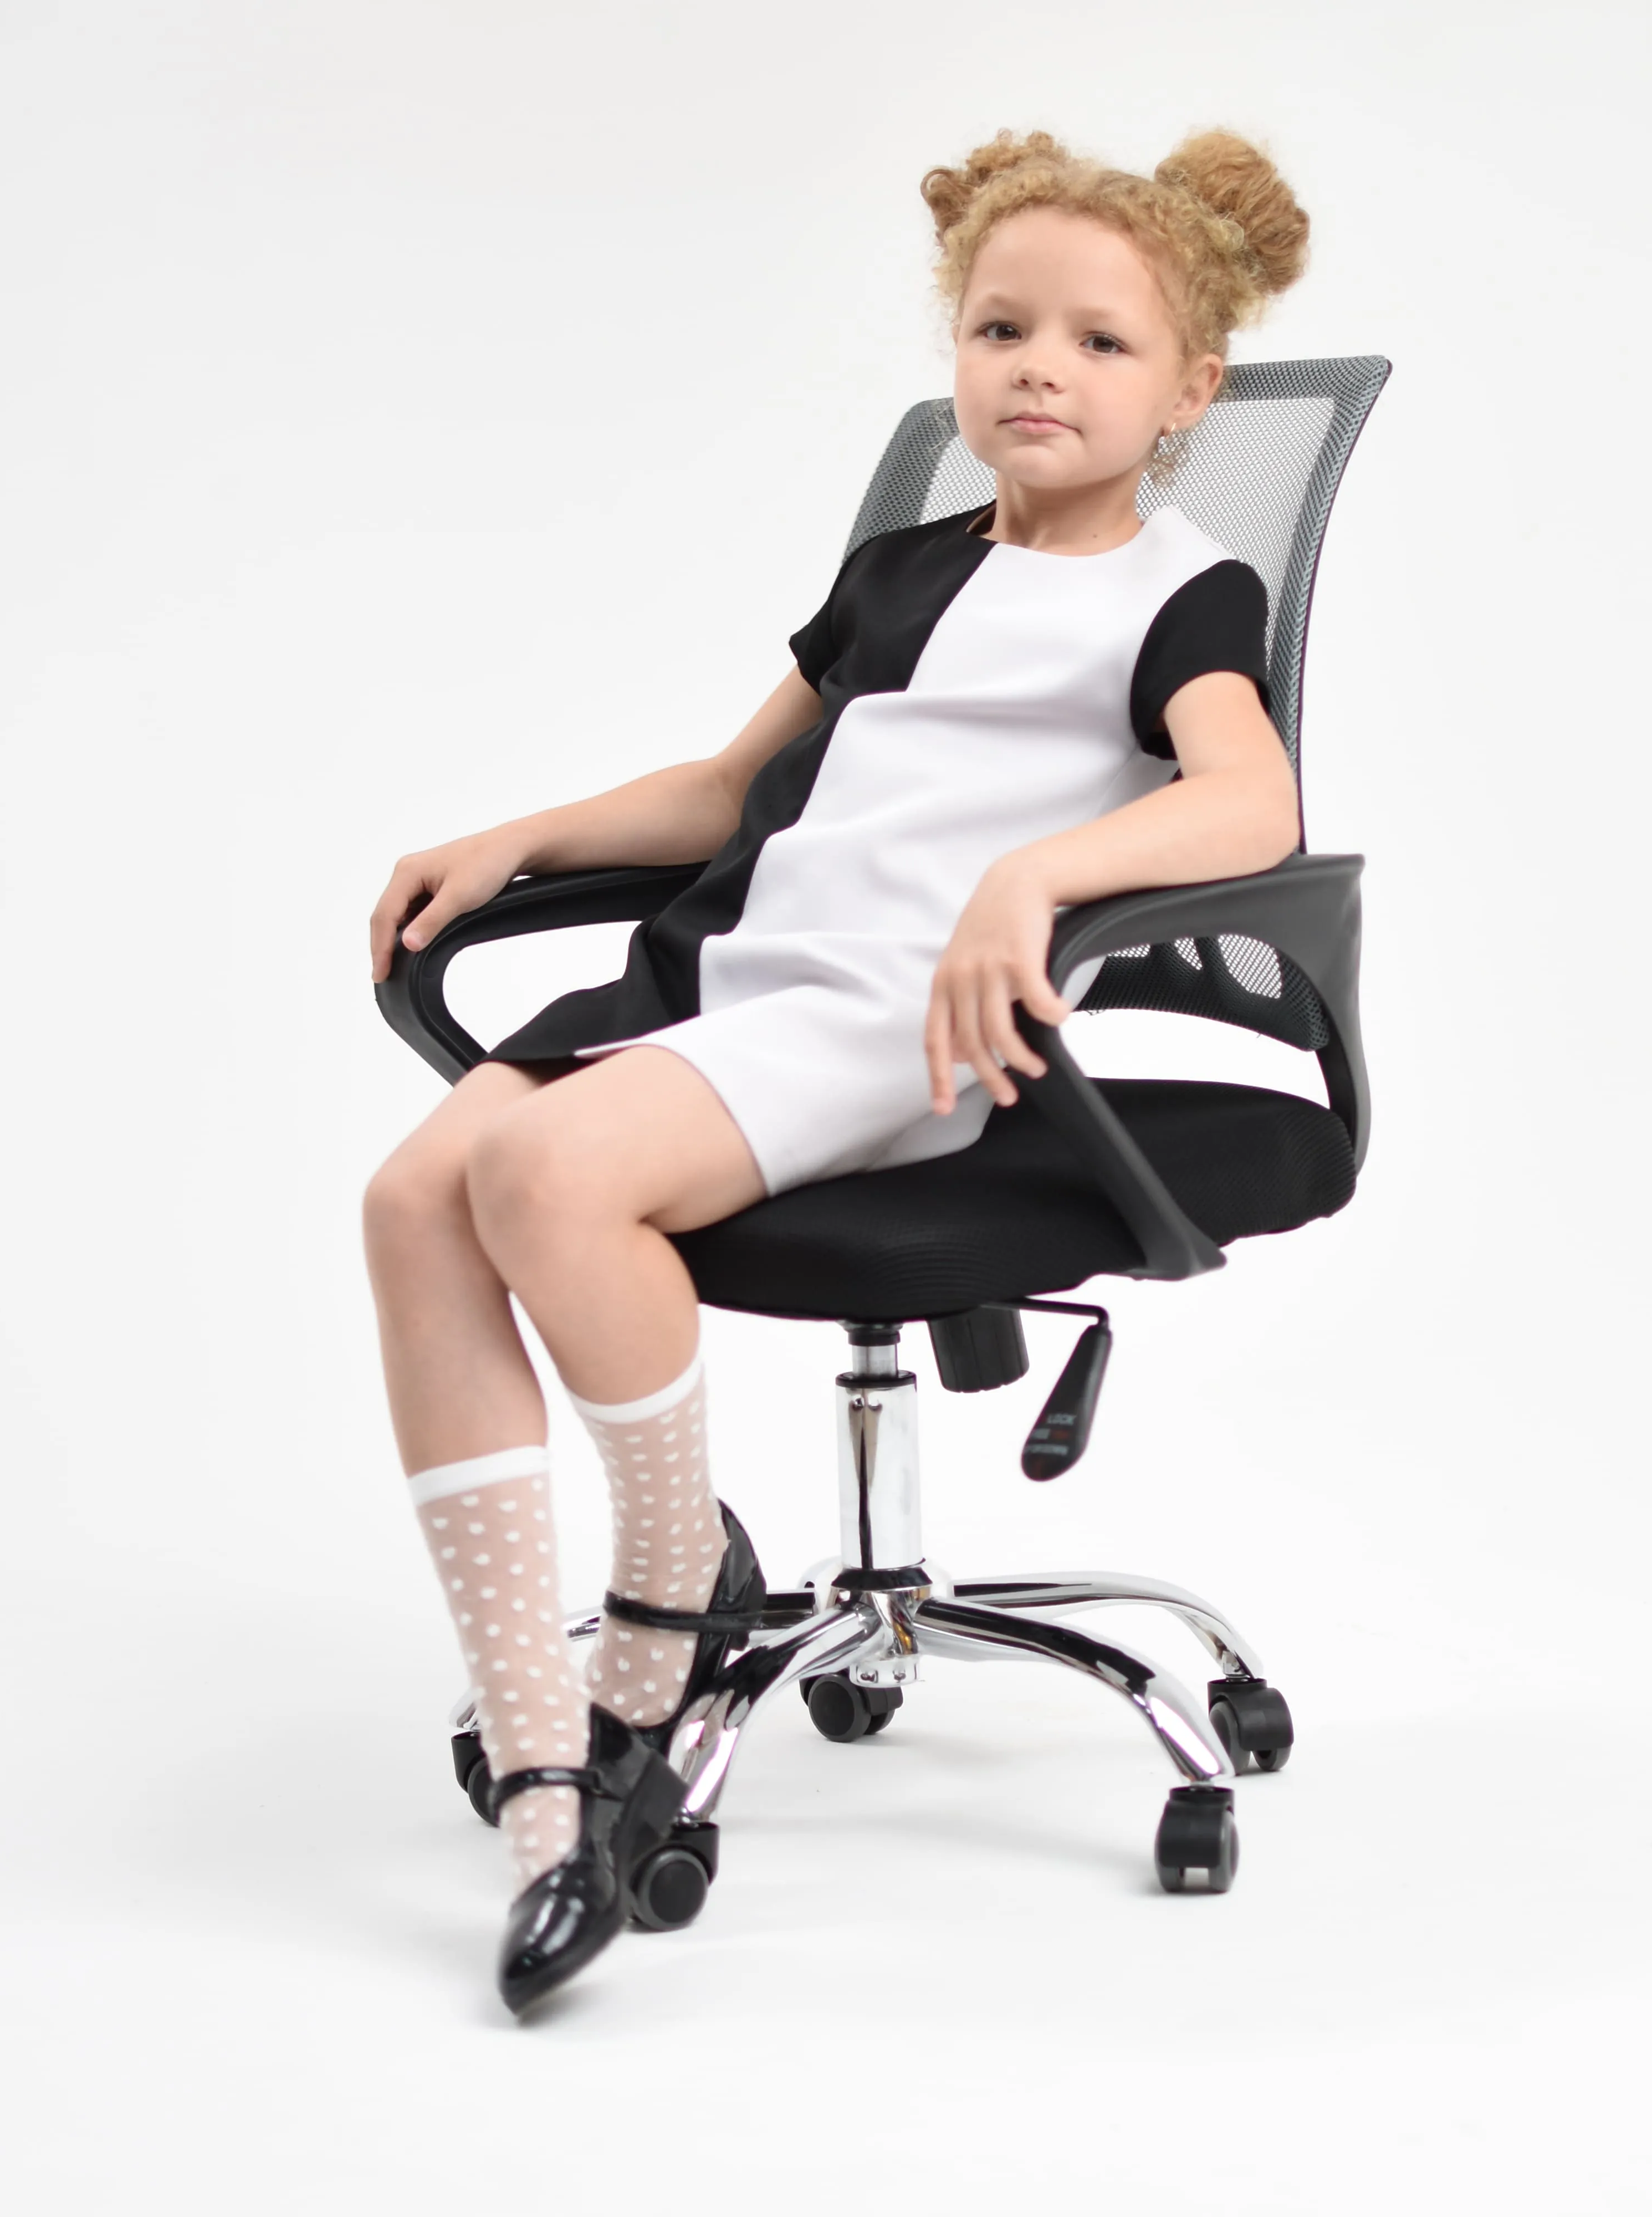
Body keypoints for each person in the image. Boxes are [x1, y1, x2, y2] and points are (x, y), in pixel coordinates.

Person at [362, 125, 1310, 2016]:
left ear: (1193, 391)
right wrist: (522, 836)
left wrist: (1034, 879)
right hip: (732, 976)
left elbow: (1251, 800)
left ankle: (663, 1598)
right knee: (412, 1200)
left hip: (902, 1022)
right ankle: (546, 1746)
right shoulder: (901, 569)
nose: (1040, 369)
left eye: (1103, 344)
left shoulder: (1178, 596)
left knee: (541, 1179)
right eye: (1001, 329)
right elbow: (730, 791)